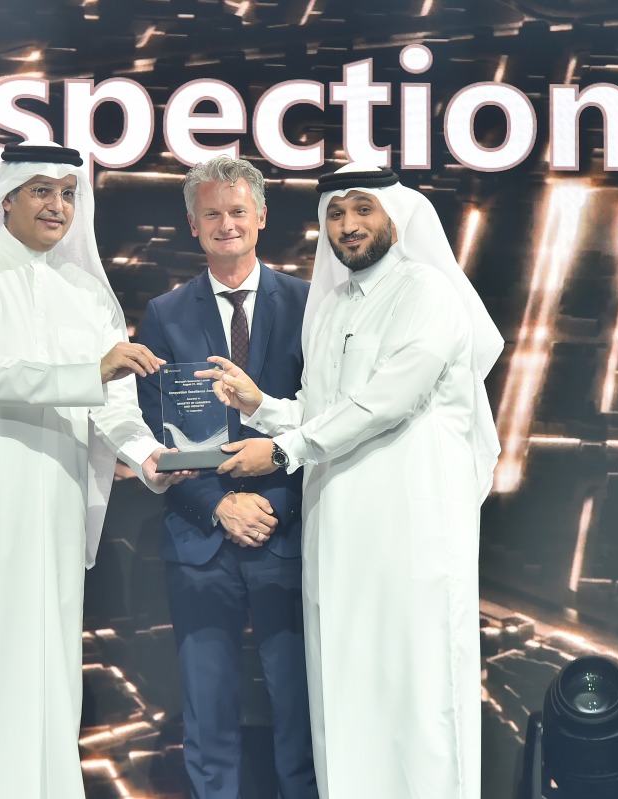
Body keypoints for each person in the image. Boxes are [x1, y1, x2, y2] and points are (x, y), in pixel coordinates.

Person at [0, 141, 190, 799]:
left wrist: (151, 457)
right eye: (43, 191)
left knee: (38, 666)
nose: (57, 206)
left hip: (50, 501)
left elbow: (114, 405)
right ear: (8, 198)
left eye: (69, 193)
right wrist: (93, 370)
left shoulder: (87, 293)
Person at [200, 164, 504, 799]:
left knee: (416, 698)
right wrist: (261, 406)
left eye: (362, 210)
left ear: (395, 217)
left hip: (412, 529)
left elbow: (387, 402)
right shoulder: (331, 302)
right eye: (336, 214)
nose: (348, 226)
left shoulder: (427, 292)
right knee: (345, 693)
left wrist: (281, 452)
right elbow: (325, 407)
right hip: (339, 534)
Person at [136, 156, 316, 799]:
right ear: (193, 224)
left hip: (287, 534)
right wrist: (220, 508)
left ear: (262, 217)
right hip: (202, 543)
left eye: (238, 211)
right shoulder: (164, 313)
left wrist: (273, 509)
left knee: (301, 714)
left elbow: (324, 422)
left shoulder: (308, 304)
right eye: (212, 213)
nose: (226, 224)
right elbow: (152, 435)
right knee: (207, 715)